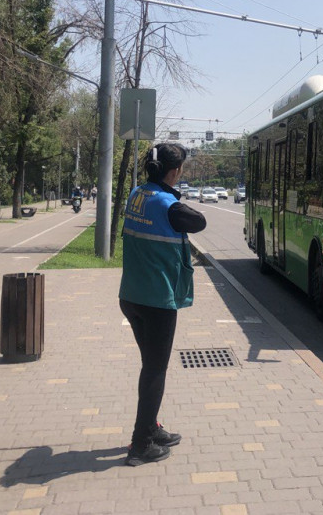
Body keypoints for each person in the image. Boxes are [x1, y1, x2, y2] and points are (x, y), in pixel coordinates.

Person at [119, 143, 206, 466]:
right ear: (174, 172)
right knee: (155, 370)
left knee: (150, 366)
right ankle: (140, 444)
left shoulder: (137, 195)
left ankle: (151, 427)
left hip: (131, 296)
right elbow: (198, 222)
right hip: (157, 301)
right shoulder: (170, 207)